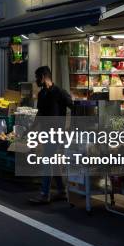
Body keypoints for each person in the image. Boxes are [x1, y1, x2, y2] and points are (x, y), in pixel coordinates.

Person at [29, 66, 73, 204]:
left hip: (57, 133)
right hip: (46, 132)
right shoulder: (42, 94)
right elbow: (40, 113)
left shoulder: (59, 92)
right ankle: (61, 191)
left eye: (37, 77)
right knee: (52, 162)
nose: (35, 81)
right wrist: (31, 129)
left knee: (47, 160)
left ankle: (44, 194)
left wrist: (71, 127)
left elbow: (73, 107)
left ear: (43, 77)